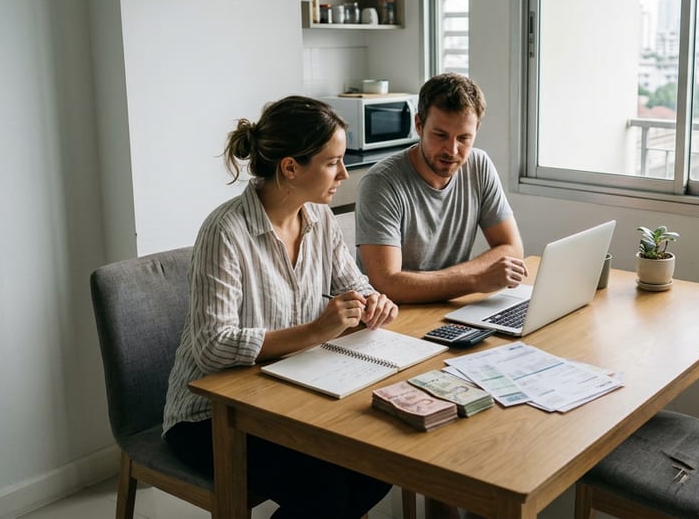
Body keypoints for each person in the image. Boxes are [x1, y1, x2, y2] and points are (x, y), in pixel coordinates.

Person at [161, 96, 398, 519]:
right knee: (323, 492)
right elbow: (212, 348)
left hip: (284, 397)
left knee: (378, 466)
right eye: (333, 162)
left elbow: (353, 284)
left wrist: (371, 301)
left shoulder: (320, 218)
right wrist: (316, 331)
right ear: (290, 167)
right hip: (209, 416)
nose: (344, 173)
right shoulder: (226, 231)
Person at [356, 73, 527, 303]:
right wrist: (474, 279)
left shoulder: (479, 165)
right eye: (440, 135)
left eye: (464, 138)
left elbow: (512, 249)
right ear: (419, 125)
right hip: (394, 318)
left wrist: (458, 281)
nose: (452, 150)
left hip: (450, 305)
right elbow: (386, 283)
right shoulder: (380, 183)